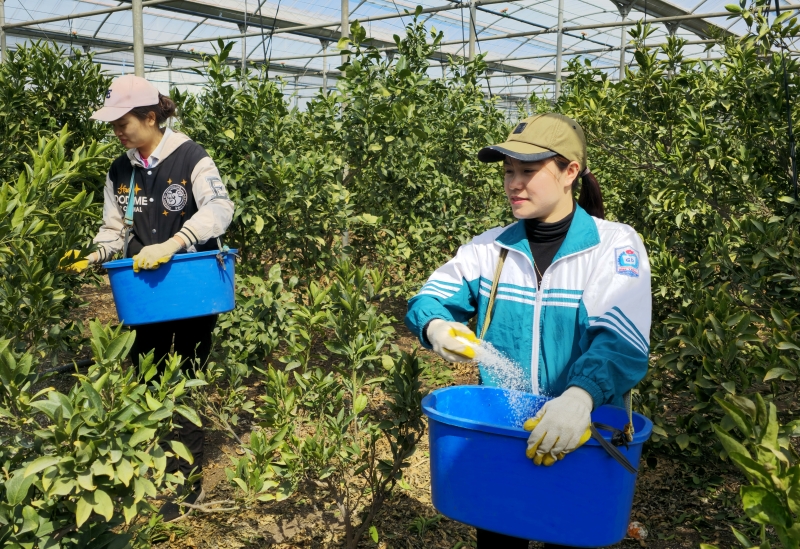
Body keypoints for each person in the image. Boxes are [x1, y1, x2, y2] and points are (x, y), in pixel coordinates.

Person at [404, 113, 651, 548]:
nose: (515, 183)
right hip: (505, 436)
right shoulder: (491, 248)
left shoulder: (612, 245)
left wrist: (579, 397)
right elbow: (428, 299)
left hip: (582, 433)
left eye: (528, 171)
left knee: (569, 536)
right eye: (508, 172)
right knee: (500, 534)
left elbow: (621, 339)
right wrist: (437, 325)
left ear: (570, 171)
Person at [63, 75, 235, 522]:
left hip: (189, 290)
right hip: (142, 295)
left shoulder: (191, 157)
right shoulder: (121, 169)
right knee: (144, 378)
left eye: (124, 122)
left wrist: (175, 242)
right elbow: (115, 229)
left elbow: (219, 210)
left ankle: (185, 486)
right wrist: (94, 255)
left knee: (184, 381)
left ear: (151, 117)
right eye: (114, 123)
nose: (118, 130)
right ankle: (144, 470)